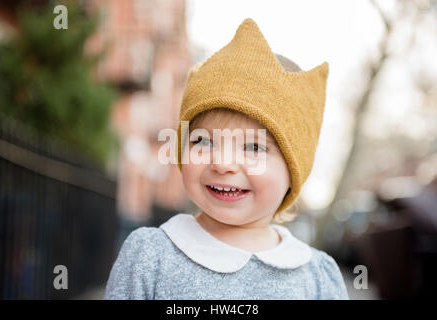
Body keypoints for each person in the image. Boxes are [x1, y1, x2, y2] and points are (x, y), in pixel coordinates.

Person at [104, 18, 349, 300]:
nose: (222, 163)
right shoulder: (150, 257)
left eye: (253, 148)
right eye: (204, 141)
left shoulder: (316, 278)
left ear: (294, 171)